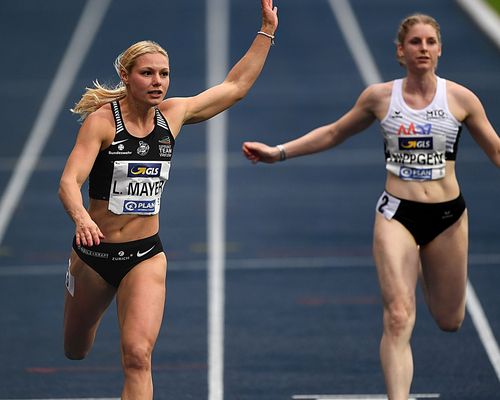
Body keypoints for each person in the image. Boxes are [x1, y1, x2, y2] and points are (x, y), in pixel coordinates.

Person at [242, 13, 499, 400]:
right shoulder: (380, 98)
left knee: (450, 320)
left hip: (447, 218)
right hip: (397, 214)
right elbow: (333, 132)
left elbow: (496, 150)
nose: (423, 49)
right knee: (398, 316)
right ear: (400, 51)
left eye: (430, 41)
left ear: (440, 49)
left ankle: (429, 265)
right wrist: (278, 153)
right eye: (415, 42)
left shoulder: (461, 99)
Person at [58, 1, 278, 398]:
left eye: (164, 74)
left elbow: (235, 87)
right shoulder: (102, 123)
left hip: (145, 254)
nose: (158, 81)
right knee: (76, 349)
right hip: (94, 254)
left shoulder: (172, 115)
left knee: (138, 356)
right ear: (126, 77)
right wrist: (81, 218)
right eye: (147, 73)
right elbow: (69, 181)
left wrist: (266, 31)